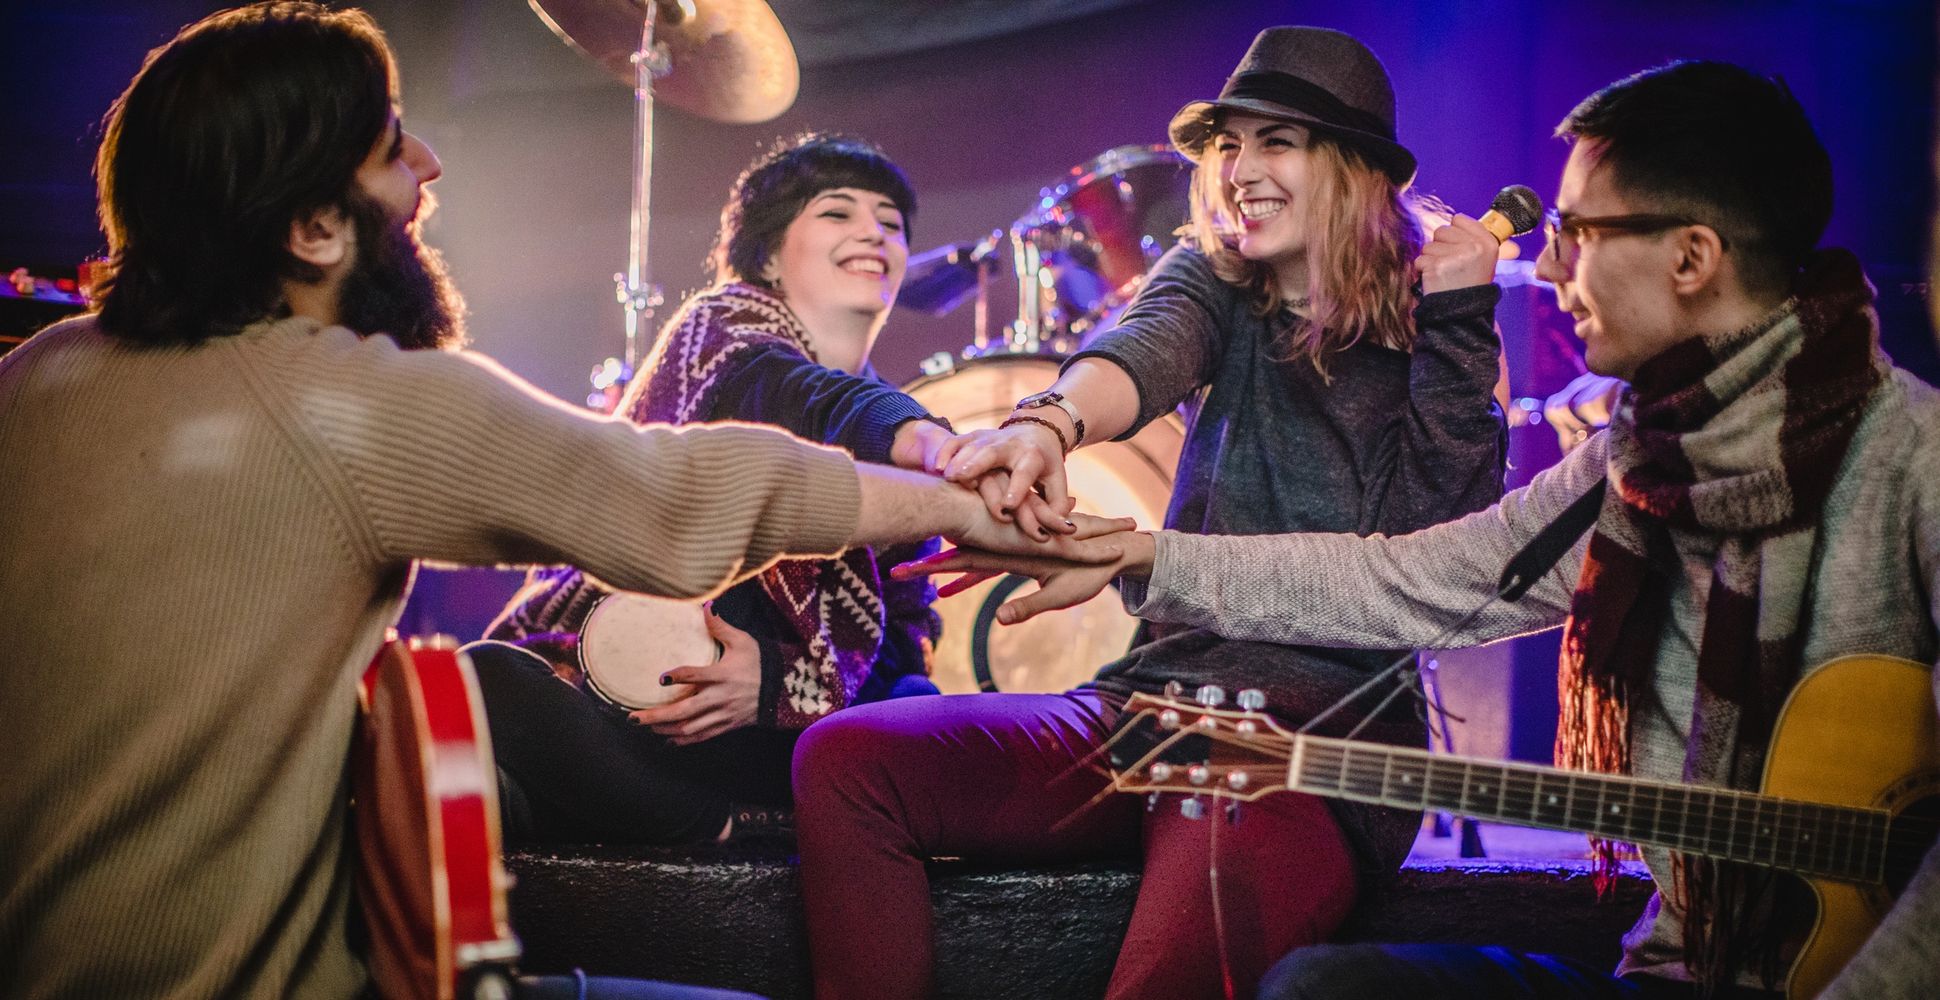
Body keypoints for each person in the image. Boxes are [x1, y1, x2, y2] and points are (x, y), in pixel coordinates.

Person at [0, 5, 1125, 999]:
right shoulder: (355, 401)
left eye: (891, 223)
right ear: (313, 231)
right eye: (393, 146)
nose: (430, 164)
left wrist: (802, 691)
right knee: (483, 694)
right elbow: (678, 494)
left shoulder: (34, 376)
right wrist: (962, 495)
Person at [903, 60, 1940, 1000]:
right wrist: (1138, 546)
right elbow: (1414, 578)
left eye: (1578, 235)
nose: (1552, 270)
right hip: (1680, 962)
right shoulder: (1633, 463)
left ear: (1690, 257)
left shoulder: (1912, 461)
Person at [790, 26, 1508, 1000]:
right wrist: (1045, 425)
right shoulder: (1212, 276)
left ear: (1353, 169)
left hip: (1310, 744)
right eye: (1227, 143)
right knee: (846, 760)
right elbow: (1143, 349)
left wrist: (1461, 320)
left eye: (1274, 142)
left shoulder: (1441, 325)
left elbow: (1443, 553)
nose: (1237, 169)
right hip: (1149, 705)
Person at [476, 132, 957, 846]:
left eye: (890, 223)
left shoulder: (887, 415)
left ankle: (696, 817)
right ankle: (723, 826)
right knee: (485, 681)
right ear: (766, 254)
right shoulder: (722, 332)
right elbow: (792, 395)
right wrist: (934, 443)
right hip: (652, 715)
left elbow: (905, 632)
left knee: (920, 713)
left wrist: (777, 682)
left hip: (789, 734)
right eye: (837, 213)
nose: (873, 233)